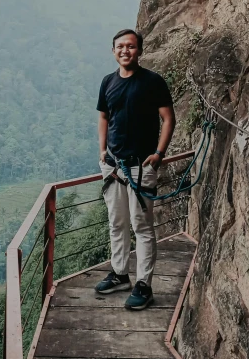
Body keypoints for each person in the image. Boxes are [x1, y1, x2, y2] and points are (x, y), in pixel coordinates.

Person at [95, 29, 175, 310]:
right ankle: (120, 274)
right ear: (113, 50)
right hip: (114, 165)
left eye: (130, 46)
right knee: (117, 224)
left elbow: (168, 119)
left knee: (141, 227)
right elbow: (104, 117)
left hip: (141, 165)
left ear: (139, 50)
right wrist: (103, 152)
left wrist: (158, 154)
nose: (125, 51)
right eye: (120, 46)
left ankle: (144, 284)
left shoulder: (152, 82)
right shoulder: (108, 82)